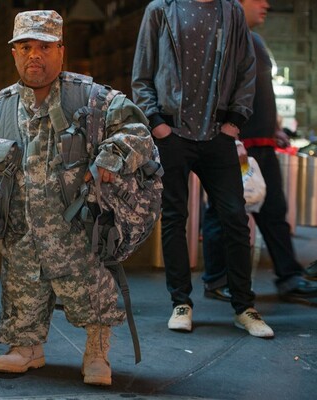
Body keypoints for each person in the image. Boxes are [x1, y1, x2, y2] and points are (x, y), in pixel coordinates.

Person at [0, 10, 154, 386]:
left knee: (91, 289)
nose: (34, 54)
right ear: (14, 54)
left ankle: (96, 352)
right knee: (21, 288)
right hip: (22, 232)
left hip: (77, 232)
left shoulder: (93, 98)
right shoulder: (2, 106)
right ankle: (26, 347)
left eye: (44, 46)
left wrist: (111, 156)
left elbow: (139, 132)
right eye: (25, 46)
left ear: (61, 52)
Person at [132, 0, 274, 337]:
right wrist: (156, 124)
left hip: (217, 135)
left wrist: (235, 121)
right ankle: (181, 302)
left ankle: (244, 307)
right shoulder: (161, 9)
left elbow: (246, 68)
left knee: (236, 219)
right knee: (174, 218)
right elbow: (142, 73)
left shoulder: (231, 11)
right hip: (173, 133)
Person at [202, 0, 317, 303]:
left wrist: (275, 126)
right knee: (223, 213)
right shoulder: (225, 41)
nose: (266, 4)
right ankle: (216, 279)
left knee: (273, 211)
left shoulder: (254, 40)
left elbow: (261, 93)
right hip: (238, 145)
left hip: (262, 144)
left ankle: (289, 277)